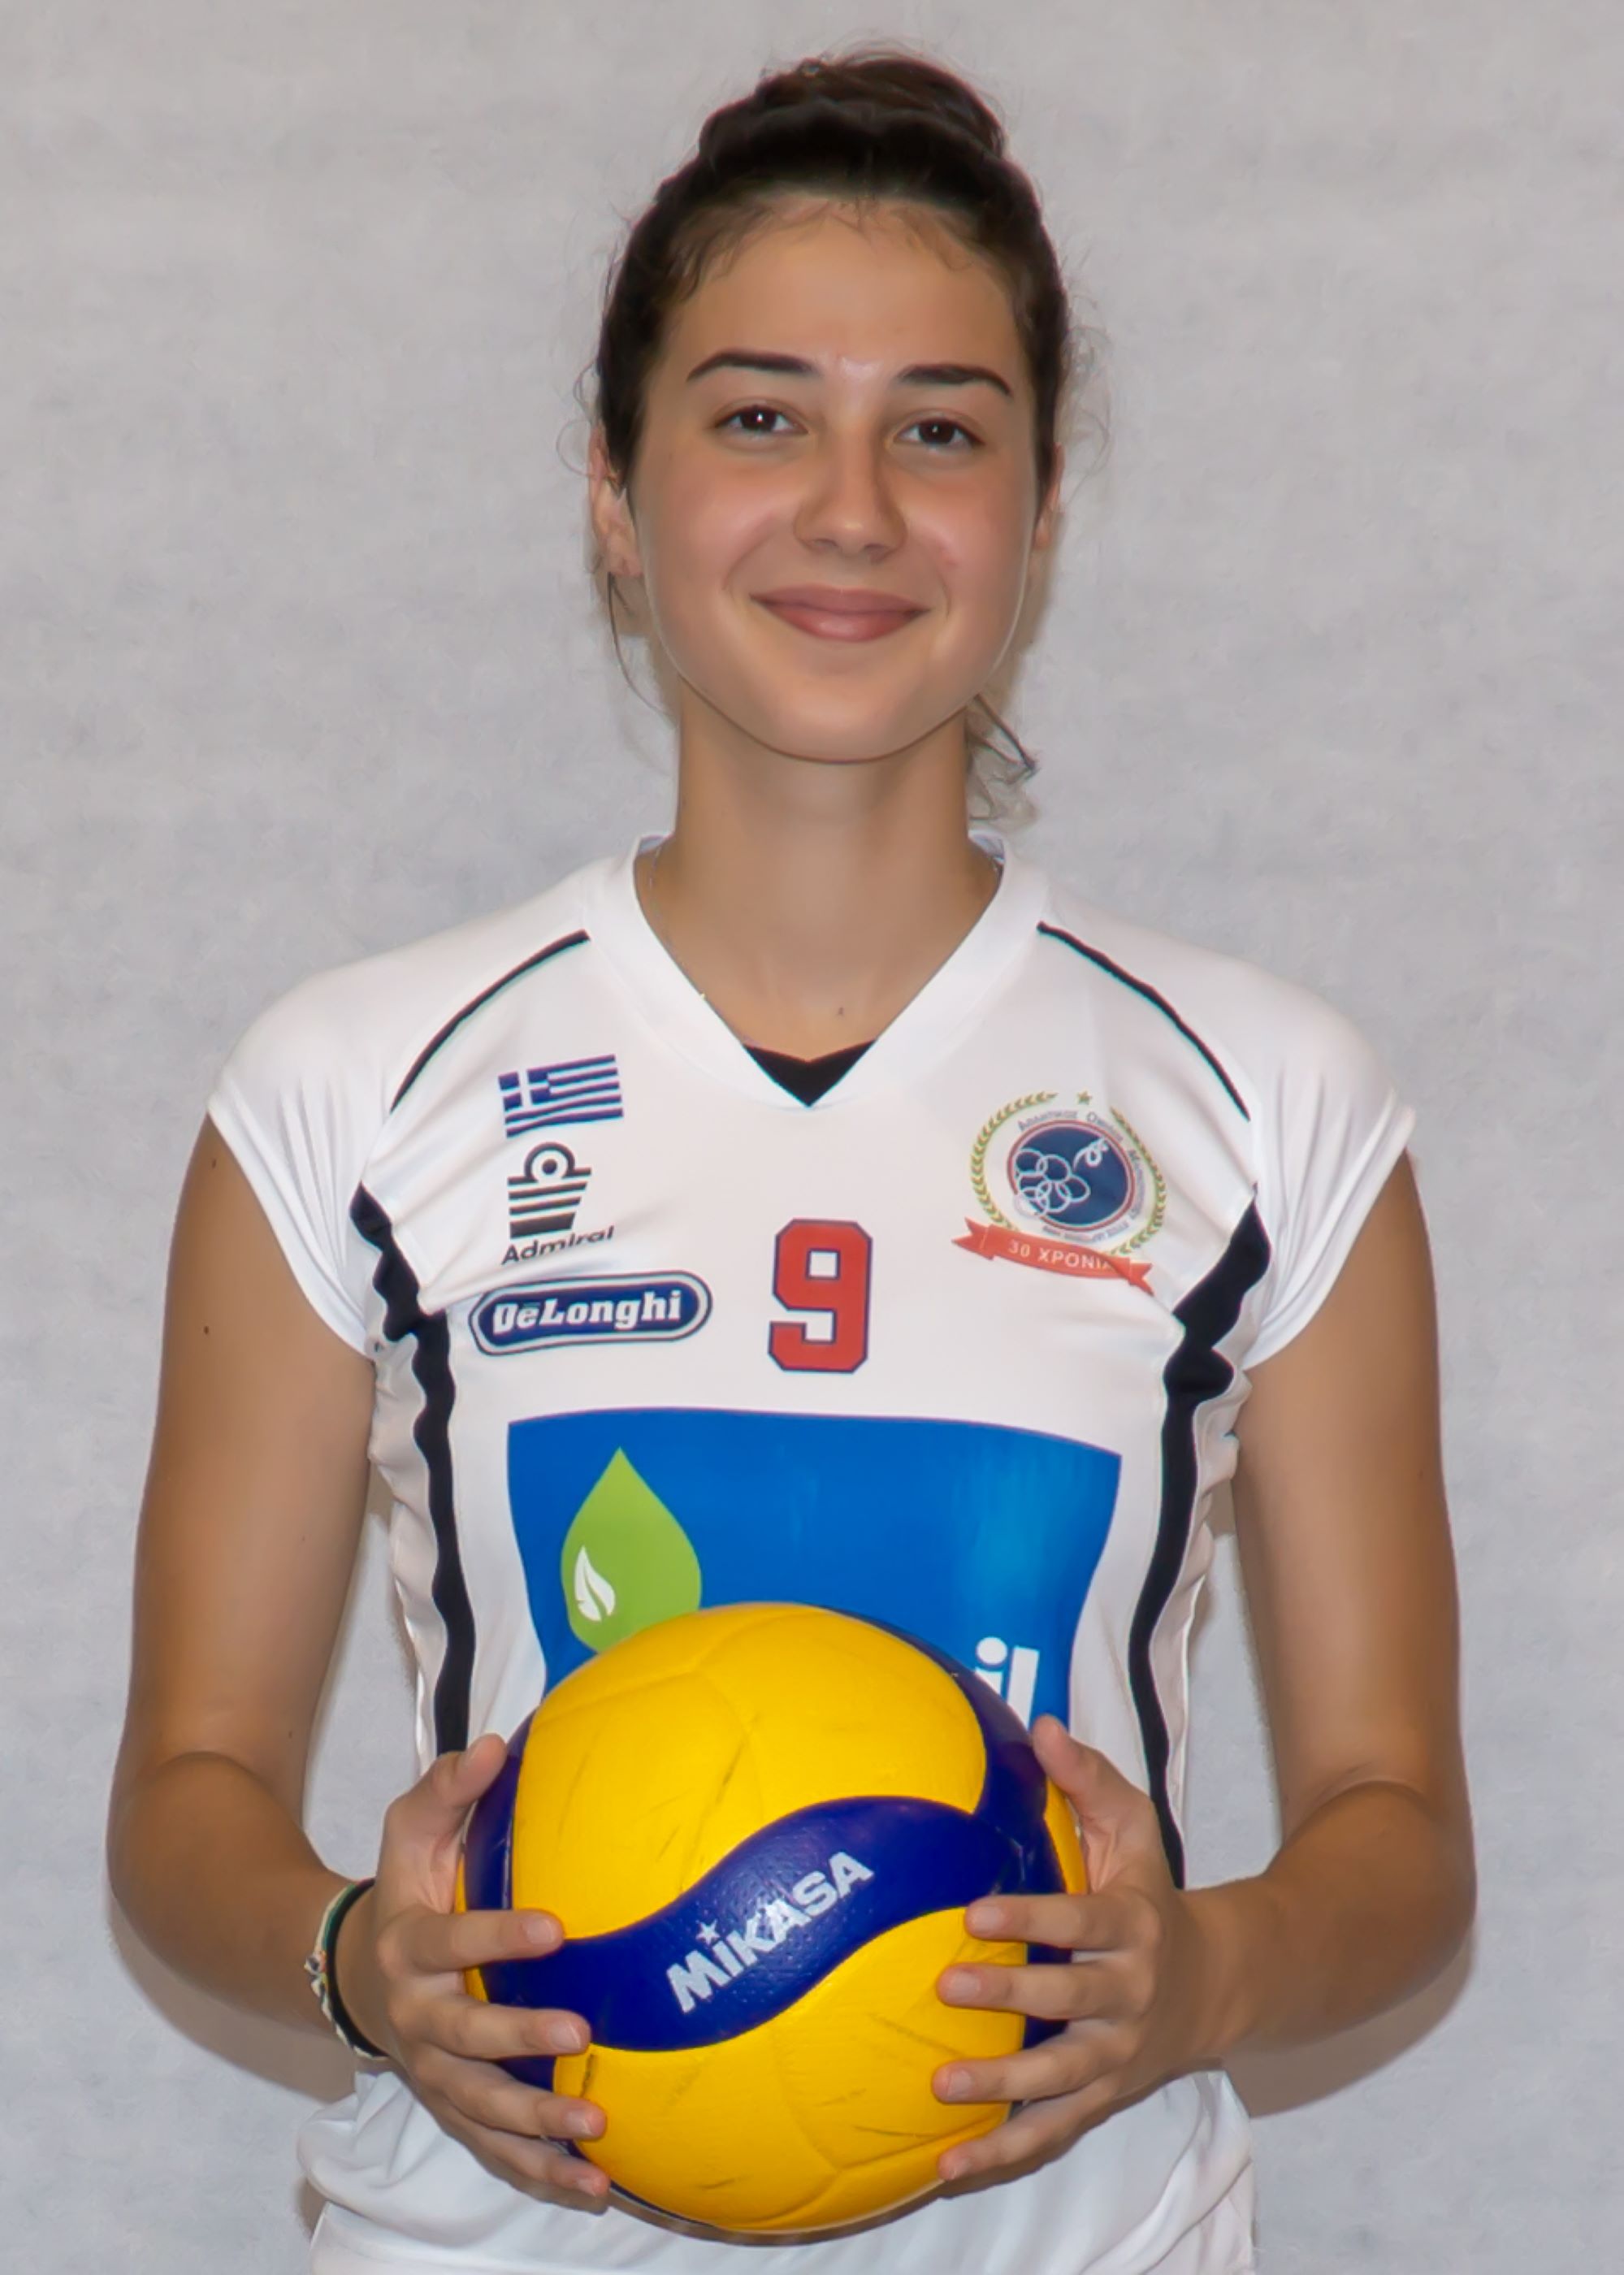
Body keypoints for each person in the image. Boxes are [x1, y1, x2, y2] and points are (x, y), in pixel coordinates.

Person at [106, 45, 1475, 2275]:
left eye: (940, 430)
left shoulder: (1264, 1096)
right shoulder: (353, 1085)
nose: (852, 511)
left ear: (1038, 511)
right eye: (760, 417)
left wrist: (1196, 1977)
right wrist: (363, 1960)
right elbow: (184, 1807)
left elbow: (1400, 1837)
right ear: (613, 493)